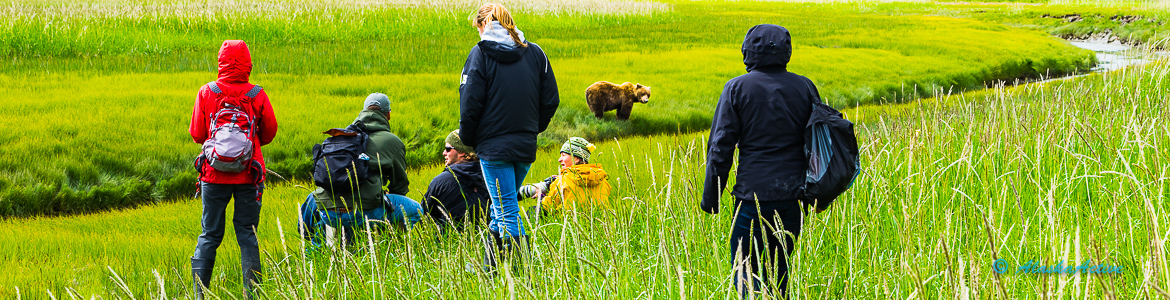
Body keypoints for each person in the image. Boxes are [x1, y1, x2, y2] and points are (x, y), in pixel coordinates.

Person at [700, 25, 818, 298]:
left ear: (748, 50)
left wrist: (712, 199)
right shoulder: (805, 86)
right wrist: (814, 195)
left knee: (745, 273)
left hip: (751, 198)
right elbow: (818, 143)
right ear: (786, 51)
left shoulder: (737, 88)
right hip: (792, 199)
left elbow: (720, 148)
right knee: (780, 277)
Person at [459, 2, 559, 272]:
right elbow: (551, 100)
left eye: (477, 28)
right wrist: (531, 129)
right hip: (525, 146)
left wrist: (469, 139)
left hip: (493, 148)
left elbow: (470, 104)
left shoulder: (480, 54)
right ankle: (488, 268)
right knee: (503, 203)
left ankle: (525, 274)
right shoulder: (536, 53)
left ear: (482, 25)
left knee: (505, 210)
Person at [189, 40, 278, 299]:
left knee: (209, 234)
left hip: (213, 175)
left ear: (221, 61)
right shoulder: (257, 94)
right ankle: (253, 294)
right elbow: (270, 132)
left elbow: (197, 134)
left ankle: (199, 294)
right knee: (248, 235)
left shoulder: (207, 92)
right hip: (250, 174)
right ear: (248, 62)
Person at [299, 93, 422, 249]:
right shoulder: (392, 141)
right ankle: (395, 249)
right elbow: (400, 186)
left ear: (362, 112)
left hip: (327, 212)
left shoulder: (342, 138)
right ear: (388, 115)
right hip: (363, 213)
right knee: (415, 209)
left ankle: (315, 255)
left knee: (323, 218)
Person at [519, 137, 611, 214]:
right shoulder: (603, 180)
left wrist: (541, 196)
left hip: (570, 228)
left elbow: (548, 207)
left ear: (577, 158)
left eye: (563, 155)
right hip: (597, 227)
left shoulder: (563, 180)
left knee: (533, 212)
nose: (559, 159)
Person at [422, 130, 490, 233]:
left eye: (448, 149)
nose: (444, 153)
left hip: (449, 244)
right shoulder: (492, 178)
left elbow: (424, 215)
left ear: (462, 151)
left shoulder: (440, 181)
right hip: (489, 242)